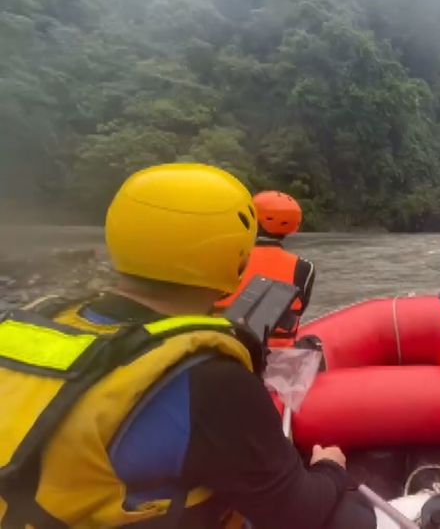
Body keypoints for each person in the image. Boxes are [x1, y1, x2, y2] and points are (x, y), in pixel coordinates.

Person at [0, 164, 374, 529]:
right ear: (237, 259)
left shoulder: (28, 323)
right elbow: (298, 514)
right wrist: (330, 468)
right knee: (351, 516)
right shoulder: (211, 379)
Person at [216, 190, 315, 348]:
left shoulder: (226, 256)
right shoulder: (305, 268)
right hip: (275, 358)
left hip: (225, 348)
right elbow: (299, 309)